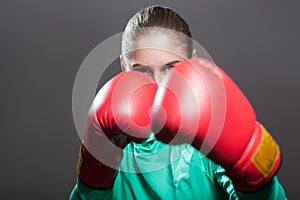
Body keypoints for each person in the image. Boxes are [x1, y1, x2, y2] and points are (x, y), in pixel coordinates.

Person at [70, 5, 287, 199]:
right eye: (141, 70)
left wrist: (255, 175)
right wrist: (94, 174)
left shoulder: (207, 136)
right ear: (123, 67)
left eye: (170, 68)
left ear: (190, 62)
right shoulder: (111, 143)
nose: (156, 84)